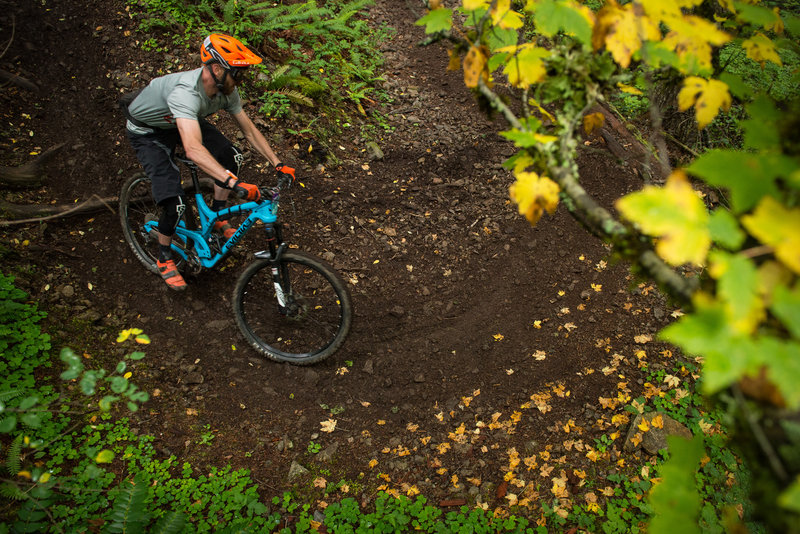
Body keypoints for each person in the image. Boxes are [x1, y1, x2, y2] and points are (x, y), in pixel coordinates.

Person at [122, 33, 296, 291]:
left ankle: (216, 214)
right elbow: (193, 149)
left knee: (231, 156)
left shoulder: (225, 89)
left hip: (181, 119)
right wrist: (233, 182)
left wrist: (277, 162)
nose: (241, 79)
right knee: (175, 201)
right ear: (216, 69)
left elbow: (249, 130)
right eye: (238, 72)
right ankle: (164, 255)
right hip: (149, 131)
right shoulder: (186, 93)